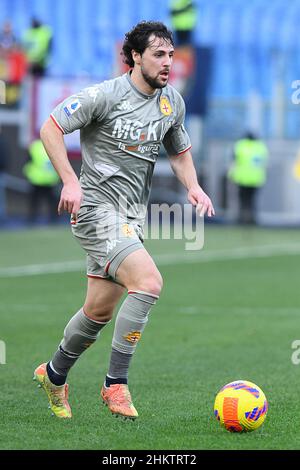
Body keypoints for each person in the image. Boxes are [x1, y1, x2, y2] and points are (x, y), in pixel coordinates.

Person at [34, 21, 215, 420]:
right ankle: (115, 385)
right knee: (148, 283)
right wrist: (70, 181)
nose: (168, 63)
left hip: (132, 218)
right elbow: (51, 127)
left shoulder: (172, 103)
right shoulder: (103, 95)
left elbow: (179, 150)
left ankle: (53, 373)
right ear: (135, 56)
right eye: (158, 55)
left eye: (171, 55)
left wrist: (194, 186)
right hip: (95, 211)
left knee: (98, 312)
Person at [228, 132, 268, 225]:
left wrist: (230, 175)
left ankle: (242, 218)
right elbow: (264, 162)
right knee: (253, 200)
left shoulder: (240, 145)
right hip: (256, 179)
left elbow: (234, 161)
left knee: (243, 200)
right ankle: (252, 219)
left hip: (242, 178)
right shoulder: (260, 147)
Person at [23, 139, 60, 224]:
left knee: (34, 202)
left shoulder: (35, 146)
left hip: (36, 179)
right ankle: (54, 220)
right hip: (50, 179)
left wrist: (28, 173)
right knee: (52, 202)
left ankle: (31, 220)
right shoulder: (55, 145)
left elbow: (28, 162)